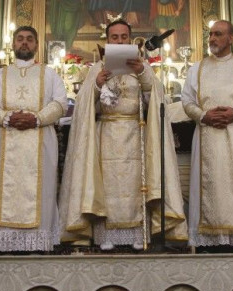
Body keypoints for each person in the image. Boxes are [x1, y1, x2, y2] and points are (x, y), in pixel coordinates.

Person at [59, 19, 186, 250]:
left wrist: (144, 75)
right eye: (114, 37)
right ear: (107, 41)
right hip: (106, 134)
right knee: (107, 186)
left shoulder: (141, 67)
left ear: (130, 39)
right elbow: (86, 108)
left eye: (123, 37)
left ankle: (138, 234)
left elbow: (156, 102)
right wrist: (97, 86)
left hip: (135, 134)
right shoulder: (97, 69)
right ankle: (105, 235)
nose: (119, 41)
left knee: (137, 185)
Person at [0, 26, 67, 253]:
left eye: (29, 40)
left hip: (40, 139)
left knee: (42, 189)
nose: (24, 43)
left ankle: (38, 244)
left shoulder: (49, 74)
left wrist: (36, 119)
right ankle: (5, 244)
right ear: (14, 44)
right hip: (5, 140)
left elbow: (60, 104)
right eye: (20, 39)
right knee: (3, 188)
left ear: (37, 45)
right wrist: (7, 117)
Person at [182, 20, 233, 249]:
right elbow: (187, 100)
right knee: (208, 186)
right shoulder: (196, 69)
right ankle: (208, 242)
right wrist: (203, 115)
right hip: (206, 133)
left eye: (218, 34)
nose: (212, 39)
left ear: (231, 38)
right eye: (210, 35)